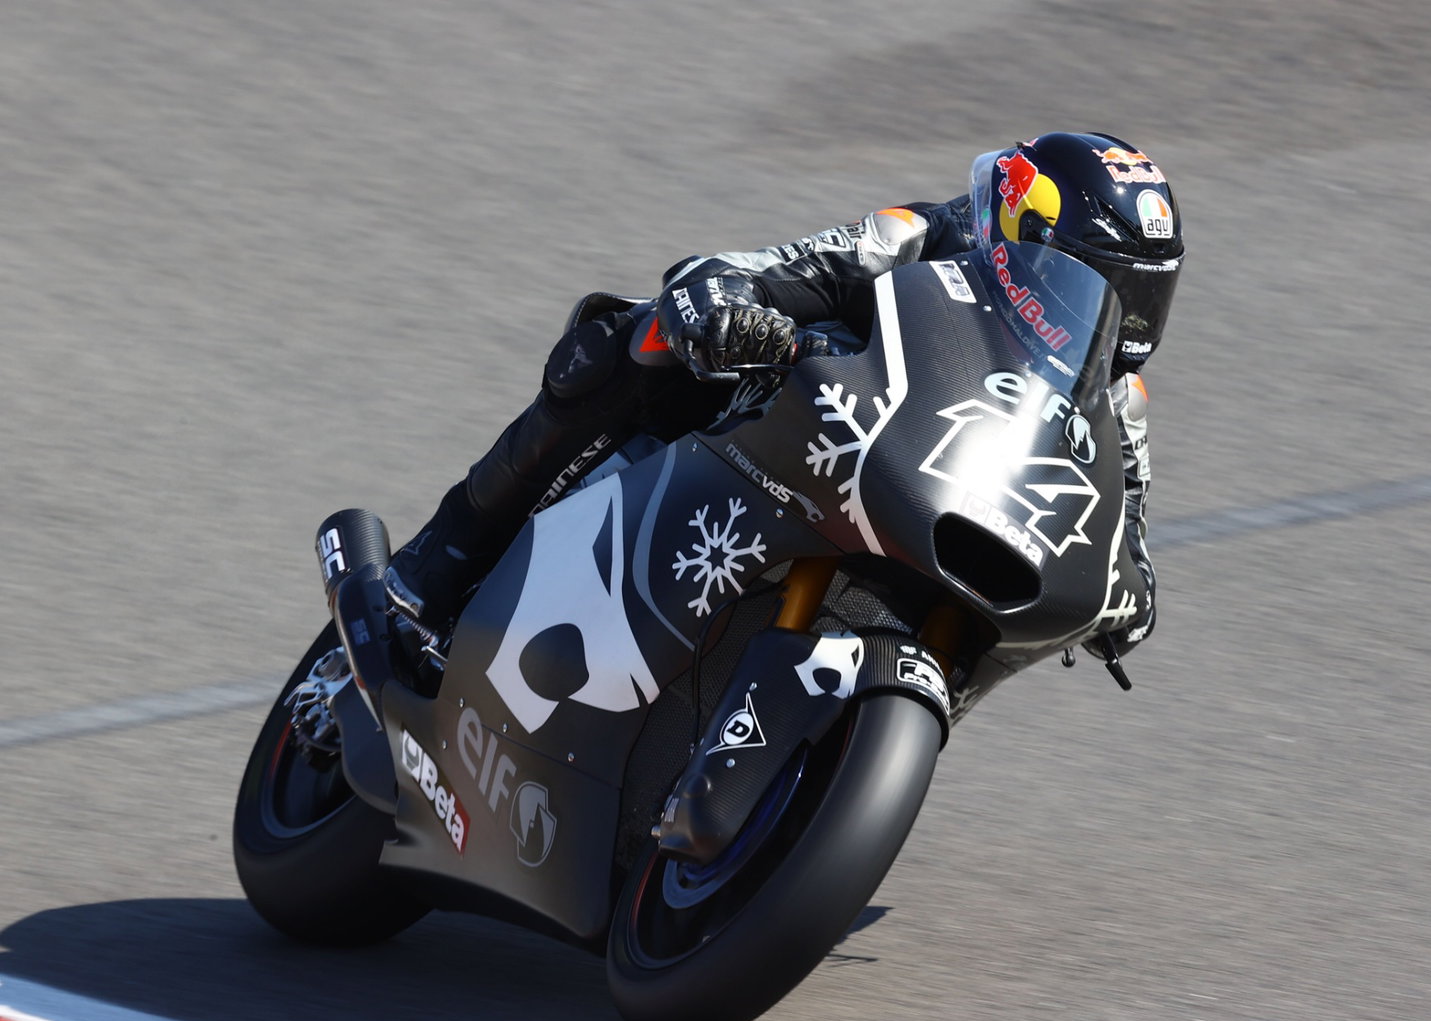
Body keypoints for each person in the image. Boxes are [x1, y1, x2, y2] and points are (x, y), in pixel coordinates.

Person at [386, 131, 1184, 656]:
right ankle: (445, 553)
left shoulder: (1118, 401)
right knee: (632, 338)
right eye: (1099, 281)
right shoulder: (916, 237)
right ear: (1020, 232)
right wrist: (731, 312)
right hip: (788, 437)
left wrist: (1122, 601)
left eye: (1143, 296)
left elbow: (1132, 555)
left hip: (923, 527)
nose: (1123, 317)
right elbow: (751, 271)